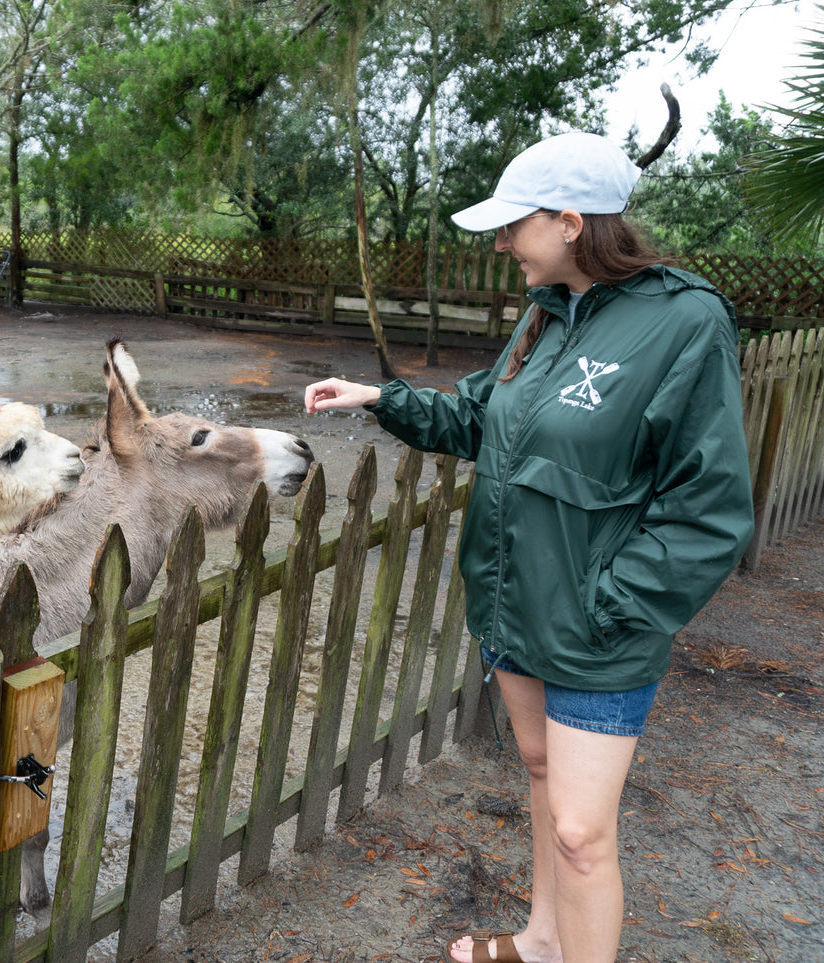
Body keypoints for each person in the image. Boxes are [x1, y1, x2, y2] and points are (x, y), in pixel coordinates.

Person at [305, 131, 754, 963]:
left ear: (572, 220)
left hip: (596, 624)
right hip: (514, 605)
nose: (501, 241)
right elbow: (484, 415)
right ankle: (545, 939)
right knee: (544, 778)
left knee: (583, 832)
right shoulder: (544, 316)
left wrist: (609, 605)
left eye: (515, 224)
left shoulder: (685, 322)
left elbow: (709, 507)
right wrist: (379, 397)